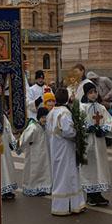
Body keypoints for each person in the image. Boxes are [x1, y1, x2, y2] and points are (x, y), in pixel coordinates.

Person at [46, 88, 86, 216]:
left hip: (55, 147)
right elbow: (68, 131)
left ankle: (61, 206)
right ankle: (72, 205)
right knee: (69, 175)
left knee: (59, 176)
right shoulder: (64, 112)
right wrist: (78, 134)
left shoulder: (52, 112)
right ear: (67, 98)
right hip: (65, 149)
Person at [78, 80, 112, 206]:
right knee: (90, 168)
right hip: (88, 142)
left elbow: (108, 120)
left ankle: (98, 193)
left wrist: (103, 130)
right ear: (86, 94)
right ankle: (90, 195)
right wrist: (87, 128)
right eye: (91, 92)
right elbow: (78, 120)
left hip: (99, 141)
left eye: (95, 92)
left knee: (100, 167)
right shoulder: (82, 107)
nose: (93, 95)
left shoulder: (101, 107)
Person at [17, 106, 51, 197]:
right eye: (43, 117)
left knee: (44, 170)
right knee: (33, 171)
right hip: (34, 154)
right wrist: (19, 147)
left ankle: (44, 187)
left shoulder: (47, 128)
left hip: (44, 154)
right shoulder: (33, 127)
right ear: (38, 117)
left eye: (46, 117)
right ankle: (32, 188)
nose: (44, 119)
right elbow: (24, 138)